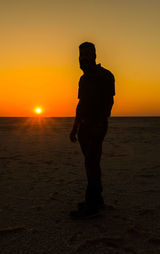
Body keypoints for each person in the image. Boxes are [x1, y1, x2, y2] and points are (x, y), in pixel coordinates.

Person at [69, 42, 115, 219]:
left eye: (87, 55)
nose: (83, 59)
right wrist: (75, 127)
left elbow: (109, 103)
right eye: (81, 56)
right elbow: (80, 105)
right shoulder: (83, 79)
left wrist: (98, 124)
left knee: (91, 162)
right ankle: (97, 198)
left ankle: (92, 205)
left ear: (94, 55)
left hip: (97, 125)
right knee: (91, 163)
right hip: (84, 126)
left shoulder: (105, 76)